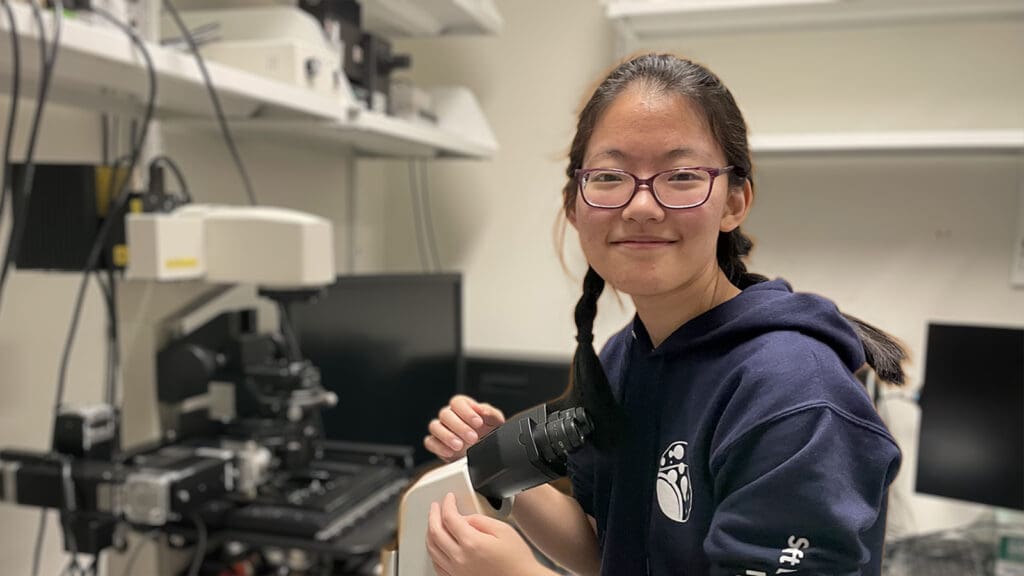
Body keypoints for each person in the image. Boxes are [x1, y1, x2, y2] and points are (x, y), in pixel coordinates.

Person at [422, 53, 905, 576]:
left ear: (734, 202)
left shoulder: (793, 395)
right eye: (609, 176)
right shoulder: (624, 358)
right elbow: (610, 549)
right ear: (574, 204)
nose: (642, 206)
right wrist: (497, 464)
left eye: (680, 176)